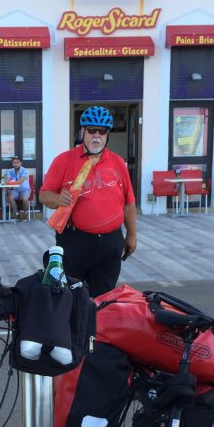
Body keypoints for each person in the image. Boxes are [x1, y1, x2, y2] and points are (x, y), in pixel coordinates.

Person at [39, 105, 137, 297]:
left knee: (103, 299)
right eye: (92, 130)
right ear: (82, 131)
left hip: (110, 243)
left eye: (102, 131)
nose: (97, 135)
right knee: (69, 297)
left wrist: (132, 235)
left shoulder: (117, 162)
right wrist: (58, 199)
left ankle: (97, 318)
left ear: (107, 134)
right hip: (75, 242)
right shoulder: (64, 160)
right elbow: (44, 195)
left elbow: (128, 202)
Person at [4, 156, 31, 221]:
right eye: (14, 162)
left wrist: (9, 183)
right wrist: (7, 185)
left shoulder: (25, 170)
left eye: (17, 162)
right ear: (12, 163)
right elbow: (7, 180)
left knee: (25, 199)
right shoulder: (10, 171)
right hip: (15, 190)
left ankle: (25, 213)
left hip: (25, 190)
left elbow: (20, 181)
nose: (15, 164)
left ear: (21, 163)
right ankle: (17, 214)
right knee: (10, 198)